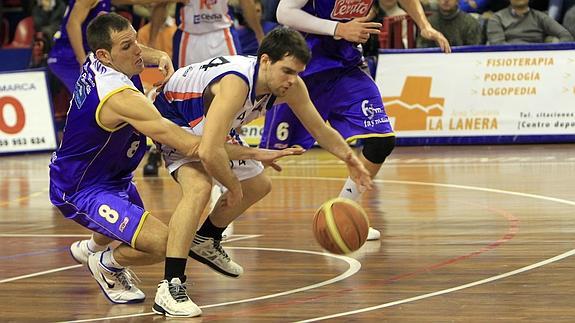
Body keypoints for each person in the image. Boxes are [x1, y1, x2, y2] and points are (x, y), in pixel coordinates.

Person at [54, 13, 301, 317]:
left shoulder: (102, 59)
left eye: (135, 41)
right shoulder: (120, 97)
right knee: (164, 244)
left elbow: (130, 47)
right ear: (106, 55)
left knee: (129, 230)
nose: (137, 50)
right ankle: (106, 264)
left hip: (114, 176)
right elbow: (195, 147)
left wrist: (158, 54)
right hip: (83, 187)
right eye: (128, 47)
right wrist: (254, 154)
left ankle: (91, 249)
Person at [151, 27, 373, 293]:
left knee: (258, 185)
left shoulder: (288, 86)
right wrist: (232, 185)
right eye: (288, 71)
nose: (293, 80)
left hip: (206, 121)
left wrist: (350, 158)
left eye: (298, 73)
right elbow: (209, 151)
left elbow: (320, 129)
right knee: (200, 188)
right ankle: (171, 284)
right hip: (172, 116)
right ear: (265, 61)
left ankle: (206, 239)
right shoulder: (236, 84)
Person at [259, 0, 451, 241]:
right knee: (267, 157)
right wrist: (338, 29)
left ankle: (342, 211)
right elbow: (283, 12)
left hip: (346, 66)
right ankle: (217, 218)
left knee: (381, 141)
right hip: (303, 68)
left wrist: (424, 25)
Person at [142, 0, 266, 176]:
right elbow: (161, 4)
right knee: (176, 95)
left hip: (222, 34)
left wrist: (259, 34)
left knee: (237, 100)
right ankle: (158, 152)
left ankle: (230, 162)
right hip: (189, 36)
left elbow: (246, 3)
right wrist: (153, 40)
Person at [487, 0, 573, 44]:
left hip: (538, 61)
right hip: (506, 63)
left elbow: (565, 35)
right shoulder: (497, 18)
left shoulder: (540, 17)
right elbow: (497, 46)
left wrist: (552, 52)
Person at [417, 0, 482, 47]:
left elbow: (474, 54)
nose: (445, 0)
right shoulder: (428, 25)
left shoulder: (470, 23)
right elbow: (422, 52)